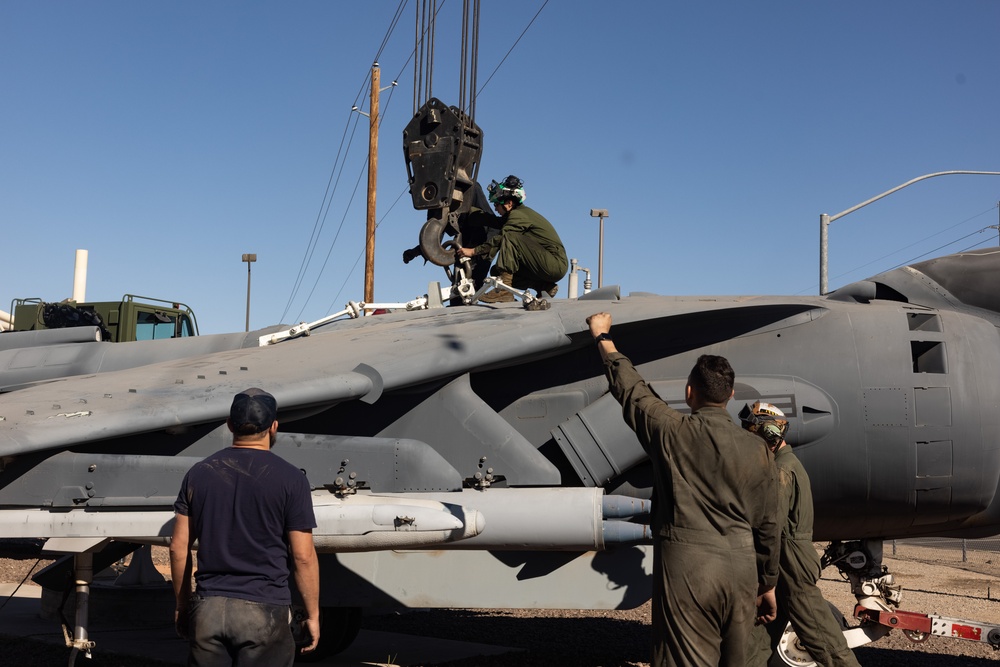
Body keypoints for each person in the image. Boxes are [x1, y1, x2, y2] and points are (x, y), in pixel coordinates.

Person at [587, 312, 780, 667]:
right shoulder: (758, 449)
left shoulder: (671, 431)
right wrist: (766, 583)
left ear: (690, 392)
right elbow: (769, 524)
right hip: (741, 571)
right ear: (731, 395)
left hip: (689, 569)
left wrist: (602, 337)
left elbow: (631, 390)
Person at [170, 388, 320, 666]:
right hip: (264, 611)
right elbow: (302, 556)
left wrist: (182, 606)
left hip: (208, 609)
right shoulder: (291, 479)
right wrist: (312, 615)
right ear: (274, 427)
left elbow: (178, 548)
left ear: (229, 424)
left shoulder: (199, 473)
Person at [740, 402, 862, 667]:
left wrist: (767, 582)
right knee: (757, 637)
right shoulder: (784, 465)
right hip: (786, 560)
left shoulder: (781, 471)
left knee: (824, 641)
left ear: (769, 436)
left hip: (789, 563)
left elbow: (770, 528)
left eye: (753, 436)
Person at [456, 175, 568, 303]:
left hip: (555, 264)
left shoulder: (518, 215)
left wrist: (473, 251)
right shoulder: (515, 215)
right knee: (496, 271)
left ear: (509, 203)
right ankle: (543, 286)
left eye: (497, 204)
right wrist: (465, 209)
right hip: (545, 264)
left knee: (509, 236)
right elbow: (493, 221)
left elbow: (501, 237)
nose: (495, 208)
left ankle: (504, 290)